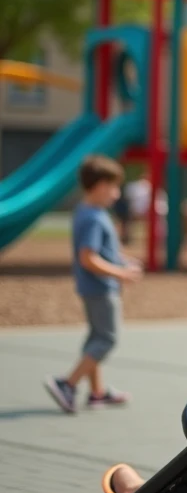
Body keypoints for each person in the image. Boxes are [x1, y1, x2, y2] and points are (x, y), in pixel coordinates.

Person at [44, 155, 142, 414]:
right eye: (113, 187)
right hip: (100, 289)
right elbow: (88, 257)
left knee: (96, 338)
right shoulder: (94, 218)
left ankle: (97, 393)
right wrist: (119, 273)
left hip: (93, 288)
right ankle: (67, 384)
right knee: (107, 339)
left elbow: (102, 251)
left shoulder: (88, 212)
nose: (116, 193)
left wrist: (122, 260)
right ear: (99, 186)